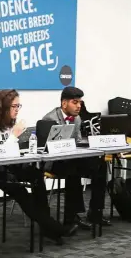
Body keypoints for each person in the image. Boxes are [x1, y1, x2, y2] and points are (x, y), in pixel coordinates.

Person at [0, 89, 77, 245]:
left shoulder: (9, 123)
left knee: (36, 175)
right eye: (14, 106)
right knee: (20, 191)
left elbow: (11, 151)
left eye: (19, 106)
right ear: (3, 107)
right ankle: (54, 227)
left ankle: (47, 226)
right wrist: (14, 136)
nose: (17, 110)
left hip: (8, 164)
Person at [43, 86, 110, 228]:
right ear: (64, 103)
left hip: (71, 158)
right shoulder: (50, 119)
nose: (79, 106)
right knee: (72, 169)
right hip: (53, 162)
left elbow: (77, 141)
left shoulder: (77, 118)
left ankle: (95, 211)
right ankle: (71, 217)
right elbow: (46, 149)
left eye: (80, 102)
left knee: (100, 165)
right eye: (75, 102)